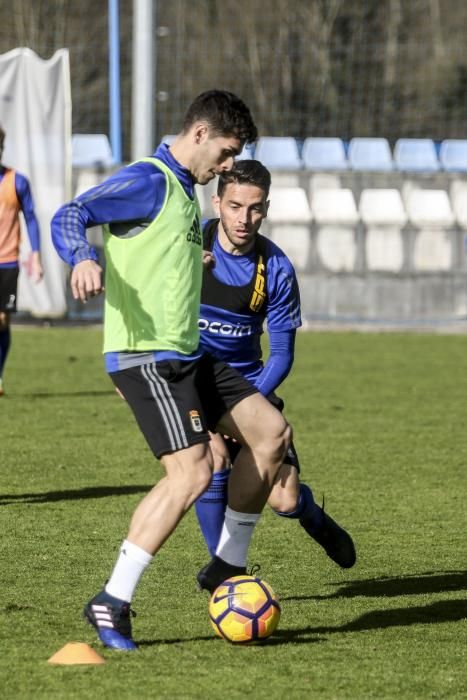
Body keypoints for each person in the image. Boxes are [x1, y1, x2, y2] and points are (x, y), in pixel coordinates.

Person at [51, 90, 291, 652]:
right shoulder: (151, 179)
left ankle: (224, 566)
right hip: (148, 356)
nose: (230, 166)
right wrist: (82, 256)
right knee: (192, 474)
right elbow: (73, 213)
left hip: (189, 352)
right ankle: (111, 600)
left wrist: (190, 259)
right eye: (228, 152)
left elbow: (153, 253)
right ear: (201, 134)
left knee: (271, 432)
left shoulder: (185, 191)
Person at [194, 159, 356, 569]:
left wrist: (246, 405)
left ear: (266, 207)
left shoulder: (277, 268)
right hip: (190, 381)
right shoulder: (188, 245)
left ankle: (315, 518)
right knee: (211, 462)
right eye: (234, 206)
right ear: (217, 203)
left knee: (284, 500)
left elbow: (282, 355)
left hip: (248, 386)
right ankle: (226, 571)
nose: (244, 218)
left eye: (254, 208)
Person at [0, 124, 43, 396]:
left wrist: (35, 256)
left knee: (2, 320)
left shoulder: (17, 181)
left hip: (7, 262)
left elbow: (31, 218)